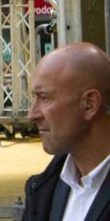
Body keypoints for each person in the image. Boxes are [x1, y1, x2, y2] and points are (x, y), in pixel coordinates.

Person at [24, 43, 110, 221]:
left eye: (45, 98)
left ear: (90, 104)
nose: (32, 114)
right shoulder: (45, 189)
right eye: (34, 97)